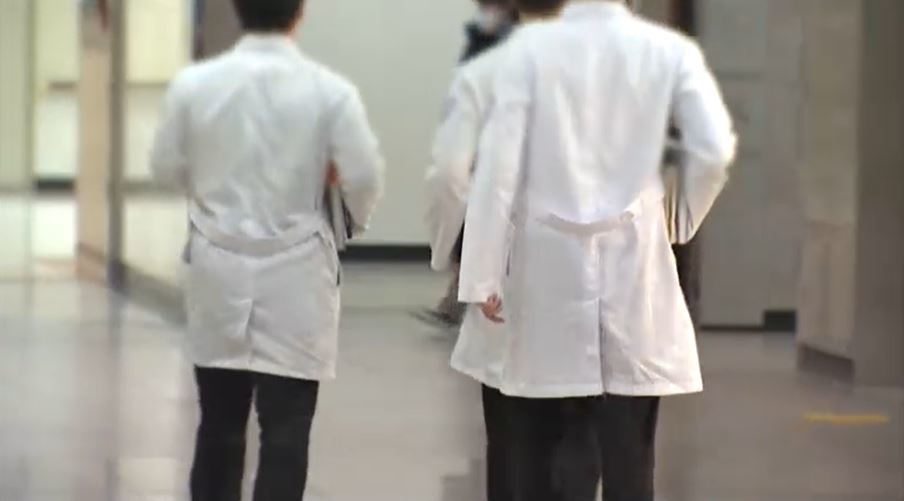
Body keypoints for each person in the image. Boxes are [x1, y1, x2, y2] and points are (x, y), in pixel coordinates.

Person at [457, 0, 737, 500]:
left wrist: (482, 272)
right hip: (634, 261)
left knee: (547, 442)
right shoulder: (668, 50)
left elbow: (498, 166)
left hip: (545, 263)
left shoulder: (527, 51)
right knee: (631, 449)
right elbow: (713, 150)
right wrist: (679, 216)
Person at [149, 0, 384, 499]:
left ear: (237, 10)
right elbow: (364, 175)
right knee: (286, 431)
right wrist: (347, 223)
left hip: (218, 265)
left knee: (218, 422)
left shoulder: (194, 85)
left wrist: (210, 197)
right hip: (297, 271)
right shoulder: (330, 91)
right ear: (300, 13)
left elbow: (165, 167)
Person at [427, 2, 602, 500]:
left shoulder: (487, 72)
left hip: (512, 273)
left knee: (513, 434)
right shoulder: (609, 68)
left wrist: (454, 257)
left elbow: (450, 176)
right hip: (594, 273)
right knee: (580, 426)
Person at [422, 0, 519, 329]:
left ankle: (464, 289)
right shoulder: (483, 38)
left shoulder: (489, 61)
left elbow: (447, 174)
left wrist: (439, 252)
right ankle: (462, 290)